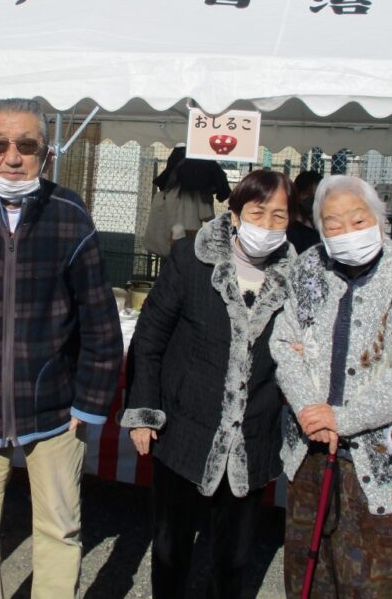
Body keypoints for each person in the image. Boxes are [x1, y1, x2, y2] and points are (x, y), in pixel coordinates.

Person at [0, 98, 123, 598]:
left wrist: (90, 404)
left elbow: (101, 322)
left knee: (59, 532)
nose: (13, 157)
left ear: (46, 153)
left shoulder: (70, 216)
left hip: (54, 408)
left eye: (27, 145)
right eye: (0, 144)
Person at [271, 175, 392, 598]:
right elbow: (283, 341)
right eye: (332, 224)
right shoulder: (309, 266)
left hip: (378, 457)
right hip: (310, 446)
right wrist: (311, 410)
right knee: (306, 574)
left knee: (365, 580)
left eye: (357, 220)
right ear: (318, 228)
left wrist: (344, 418)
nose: (346, 231)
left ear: (379, 219)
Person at [121, 169, 295, 598]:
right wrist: (144, 414)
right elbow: (149, 339)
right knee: (170, 550)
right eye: (258, 212)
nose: (268, 225)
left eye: (280, 216)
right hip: (185, 431)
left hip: (252, 438)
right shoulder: (190, 261)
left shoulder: (296, 278)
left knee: (234, 560)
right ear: (234, 214)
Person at [144, 145, 232, 256]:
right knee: (186, 258)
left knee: (172, 259)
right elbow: (207, 215)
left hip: (170, 237)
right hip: (190, 237)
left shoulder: (168, 192)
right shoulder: (200, 183)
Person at [286, 169, 322, 254]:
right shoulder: (292, 228)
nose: (313, 198)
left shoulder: (323, 224)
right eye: (308, 194)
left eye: (317, 194)